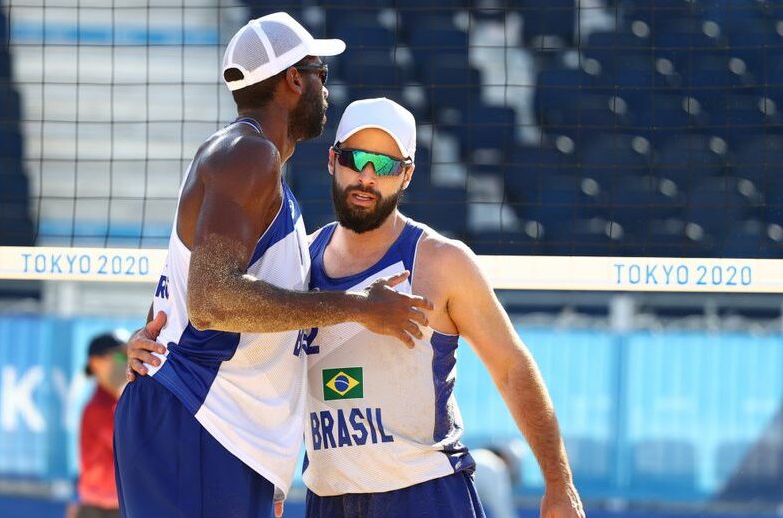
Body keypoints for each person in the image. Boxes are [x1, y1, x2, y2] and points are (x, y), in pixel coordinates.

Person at [127, 98, 585, 518]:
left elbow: (511, 368)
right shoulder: (297, 262)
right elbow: (238, 343)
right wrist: (151, 347)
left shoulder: (440, 262)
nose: (366, 176)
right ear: (332, 161)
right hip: (329, 499)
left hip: (423, 493)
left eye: (384, 165)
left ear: (406, 175)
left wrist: (558, 482)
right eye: (354, 159)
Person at [114, 14, 432, 518]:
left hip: (223, 432)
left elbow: (197, 299)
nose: (326, 88)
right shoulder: (247, 154)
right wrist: (361, 309)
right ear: (293, 80)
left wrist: (272, 463)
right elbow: (212, 301)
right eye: (320, 73)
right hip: (199, 419)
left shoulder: (254, 169)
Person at [69, 333, 127, 518]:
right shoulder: (97, 409)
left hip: (112, 506)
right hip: (100, 509)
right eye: (119, 355)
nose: (125, 360)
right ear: (95, 363)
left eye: (127, 355)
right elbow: (130, 449)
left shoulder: (118, 403)